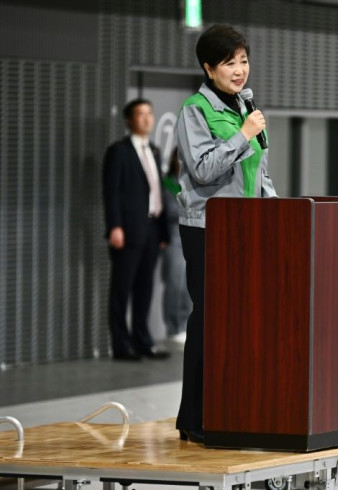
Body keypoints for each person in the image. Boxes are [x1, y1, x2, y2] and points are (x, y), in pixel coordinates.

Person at [175, 24, 276, 443]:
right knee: (209, 320)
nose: (239, 71)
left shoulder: (243, 107)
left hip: (246, 227)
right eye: (229, 63)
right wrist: (243, 135)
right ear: (208, 68)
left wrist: (277, 213)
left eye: (244, 61)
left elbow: (259, 170)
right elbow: (203, 169)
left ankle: (232, 407)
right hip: (208, 228)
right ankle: (194, 418)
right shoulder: (195, 110)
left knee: (241, 322)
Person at [103, 99, 171, 361]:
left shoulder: (153, 150)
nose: (146, 119)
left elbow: (158, 192)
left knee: (145, 289)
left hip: (152, 229)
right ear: (129, 120)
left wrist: (162, 232)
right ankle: (122, 346)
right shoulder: (119, 152)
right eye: (140, 114)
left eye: (149, 114)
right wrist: (115, 226)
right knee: (122, 290)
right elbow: (112, 194)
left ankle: (143, 342)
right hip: (128, 230)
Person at [161, 150, 191, 344]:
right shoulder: (167, 184)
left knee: (189, 286)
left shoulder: (190, 183)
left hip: (189, 236)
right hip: (173, 237)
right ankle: (173, 326)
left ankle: (183, 324)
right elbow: (171, 210)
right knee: (174, 283)